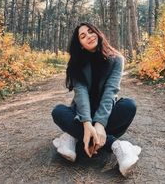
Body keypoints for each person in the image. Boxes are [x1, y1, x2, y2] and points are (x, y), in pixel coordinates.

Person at [51, 22, 141, 177]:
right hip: (81, 115)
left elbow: (110, 92)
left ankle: (72, 137)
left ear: (98, 33)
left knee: (129, 106)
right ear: (80, 44)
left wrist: (99, 125)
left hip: (106, 116)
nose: (89, 36)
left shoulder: (117, 59)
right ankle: (117, 145)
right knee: (58, 111)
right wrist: (87, 123)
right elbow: (81, 94)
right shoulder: (76, 63)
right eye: (83, 36)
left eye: (91, 32)